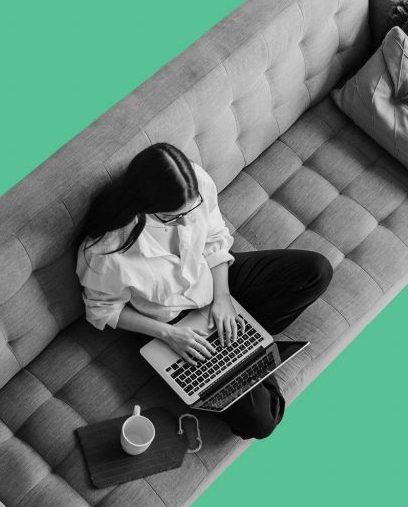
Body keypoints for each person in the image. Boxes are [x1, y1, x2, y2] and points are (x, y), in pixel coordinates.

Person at [71, 142, 333, 440]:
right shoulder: (105, 251)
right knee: (262, 421)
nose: (185, 221)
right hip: (169, 322)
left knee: (316, 271)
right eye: (172, 217)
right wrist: (168, 334)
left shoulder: (194, 183)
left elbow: (214, 239)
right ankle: (242, 350)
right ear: (143, 206)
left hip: (215, 281)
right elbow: (102, 310)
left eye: (190, 211)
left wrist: (222, 297)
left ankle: (239, 342)